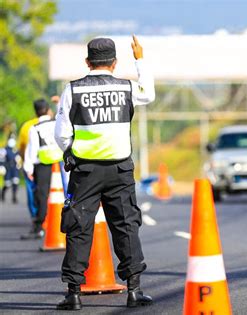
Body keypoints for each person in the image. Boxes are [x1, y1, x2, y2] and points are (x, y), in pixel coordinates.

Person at [54, 36, 155, 310]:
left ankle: (73, 293)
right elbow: (148, 92)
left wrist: (71, 151)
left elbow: (62, 132)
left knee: (78, 227)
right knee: (125, 226)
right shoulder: (126, 88)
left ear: (87, 62)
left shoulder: (72, 90)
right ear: (114, 62)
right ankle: (134, 290)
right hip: (119, 169)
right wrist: (140, 59)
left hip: (85, 171)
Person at [21, 99, 63, 239]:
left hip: (43, 163)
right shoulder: (56, 122)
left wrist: (29, 169)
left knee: (42, 195)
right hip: (60, 161)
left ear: (36, 111)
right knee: (66, 193)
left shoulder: (35, 128)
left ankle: (39, 225)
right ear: (48, 109)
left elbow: (31, 150)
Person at [18, 111, 39, 218]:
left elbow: (21, 147)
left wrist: (24, 160)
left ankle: (35, 215)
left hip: (29, 163)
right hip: (46, 163)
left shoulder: (26, 126)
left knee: (31, 189)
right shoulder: (51, 123)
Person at [0, 136, 21, 203]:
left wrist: (19, 163)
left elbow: (18, 158)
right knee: (8, 183)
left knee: (15, 182)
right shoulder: (4, 150)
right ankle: (2, 194)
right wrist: (2, 166)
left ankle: (14, 197)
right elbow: (2, 159)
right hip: (7, 168)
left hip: (14, 168)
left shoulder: (15, 149)